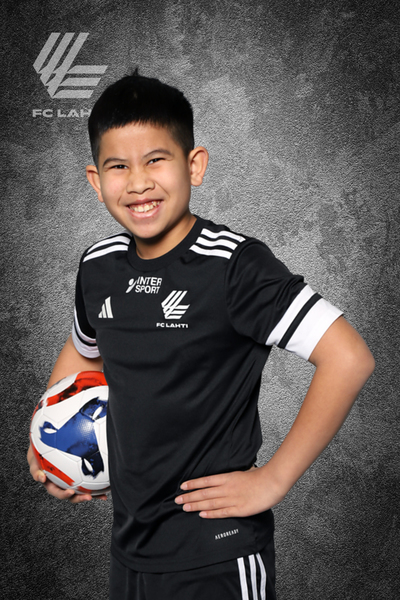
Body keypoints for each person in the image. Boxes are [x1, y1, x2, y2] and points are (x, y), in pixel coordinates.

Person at [27, 71, 375, 600]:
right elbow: (84, 352)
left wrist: (273, 479)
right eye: (119, 166)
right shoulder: (98, 265)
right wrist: (51, 442)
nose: (138, 183)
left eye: (156, 160)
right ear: (96, 181)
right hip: (131, 548)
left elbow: (349, 358)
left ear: (195, 166)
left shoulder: (234, 265)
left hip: (218, 555)